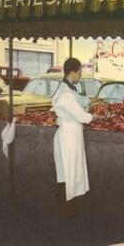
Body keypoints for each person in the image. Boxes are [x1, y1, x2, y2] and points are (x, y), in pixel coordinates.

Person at [52, 58, 93, 216]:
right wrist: (95, 116)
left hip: (70, 134)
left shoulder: (67, 89)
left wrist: (86, 102)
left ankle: (68, 208)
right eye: (80, 73)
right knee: (70, 172)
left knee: (68, 173)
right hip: (69, 136)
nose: (81, 76)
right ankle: (68, 210)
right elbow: (81, 115)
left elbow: (79, 102)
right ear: (73, 72)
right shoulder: (66, 93)